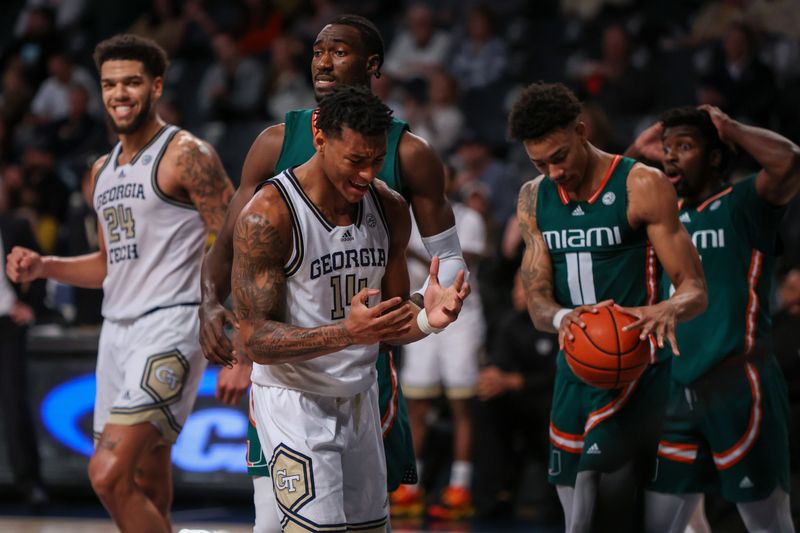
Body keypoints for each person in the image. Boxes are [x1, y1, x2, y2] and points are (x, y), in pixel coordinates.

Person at [198, 14, 468, 530]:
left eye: (375, 162)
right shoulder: (269, 209)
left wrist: (430, 315)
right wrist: (211, 306)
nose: (368, 175)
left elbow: (395, 314)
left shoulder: (389, 203)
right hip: (293, 396)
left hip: (360, 391)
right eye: (356, 163)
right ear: (319, 139)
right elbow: (253, 331)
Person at [6, 34, 234, 532]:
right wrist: (46, 265)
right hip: (117, 329)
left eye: (131, 82)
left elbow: (236, 237)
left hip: (173, 322)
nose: (119, 94)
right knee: (148, 480)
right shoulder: (99, 172)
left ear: (155, 87)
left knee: (107, 475)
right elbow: (111, 264)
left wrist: (225, 317)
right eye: (110, 84)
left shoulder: (185, 153)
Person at [508, 82, 708, 533]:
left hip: (641, 366)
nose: (553, 171)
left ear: (582, 131)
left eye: (559, 156)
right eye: (540, 162)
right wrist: (564, 318)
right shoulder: (532, 198)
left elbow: (695, 287)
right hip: (576, 365)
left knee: (622, 512)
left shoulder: (641, 184)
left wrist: (669, 308)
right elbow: (538, 300)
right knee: (576, 521)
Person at [626, 106, 799, 532]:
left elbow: (791, 161)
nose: (670, 157)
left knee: (768, 525)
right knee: (658, 524)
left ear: (717, 157)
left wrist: (731, 128)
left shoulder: (743, 204)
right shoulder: (663, 218)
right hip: (675, 387)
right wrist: (634, 154)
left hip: (739, 383)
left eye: (684, 147)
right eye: (667, 149)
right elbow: (611, 198)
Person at [395, 164, 487, 519]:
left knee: (462, 404)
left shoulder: (468, 217)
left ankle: (460, 487)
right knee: (416, 405)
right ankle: (410, 488)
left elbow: (465, 263)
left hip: (461, 315)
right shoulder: (404, 217)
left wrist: (411, 252)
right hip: (418, 312)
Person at [0, 185, 47, 508]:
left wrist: (30, 304)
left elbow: (41, 266)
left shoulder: (14, 225)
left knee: (15, 404)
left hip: (7, 324)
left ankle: (28, 481)